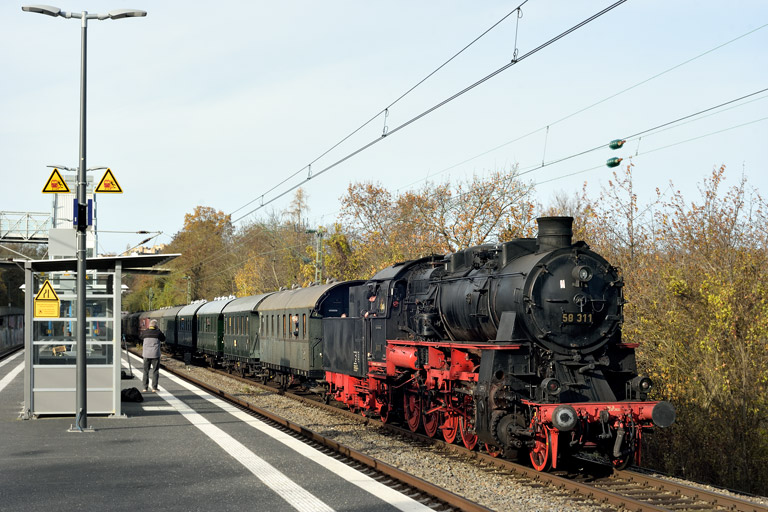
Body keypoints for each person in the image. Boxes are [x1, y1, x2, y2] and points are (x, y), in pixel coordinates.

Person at [139, 319, 165, 392]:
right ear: (156, 326)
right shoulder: (158, 333)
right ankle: (154, 388)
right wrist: (158, 330)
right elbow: (163, 339)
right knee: (155, 371)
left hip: (146, 354)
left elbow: (140, 337)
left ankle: (145, 388)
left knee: (145, 371)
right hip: (155, 354)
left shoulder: (145, 332)